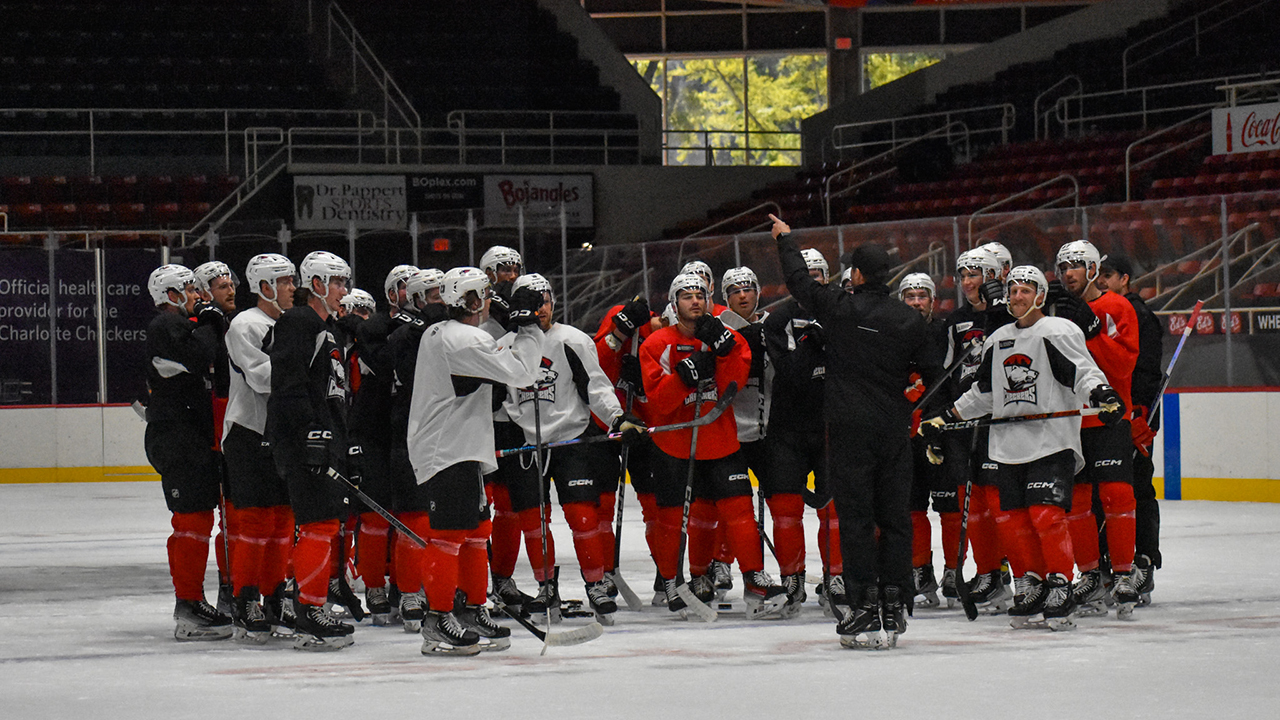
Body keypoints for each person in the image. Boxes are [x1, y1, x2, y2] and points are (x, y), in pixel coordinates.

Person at [921, 265, 1123, 632]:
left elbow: (1082, 371)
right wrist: (947, 415)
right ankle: (1032, 583)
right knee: (1013, 521)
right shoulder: (998, 339)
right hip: (1007, 445)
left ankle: (1060, 584)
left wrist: (1102, 394)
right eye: (1013, 291)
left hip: (1051, 439)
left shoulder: (1058, 331)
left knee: (1046, 517)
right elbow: (984, 392)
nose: (1017, 297)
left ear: (1041, 296)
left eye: (1026, 291)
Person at [771, 214, 940, 650]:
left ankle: (864, 603)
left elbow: (799, 284)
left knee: (858, 520)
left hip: (848, 430)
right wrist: (909, 393)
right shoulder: (909, 319)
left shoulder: (839, 308)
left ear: (857, 274)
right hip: (893, 429)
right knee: (895, 517)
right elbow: (933, 374)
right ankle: (896, 601)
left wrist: (786, 240)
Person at [407, 267, 545, 655]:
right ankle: (437, 619)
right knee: (450, 536)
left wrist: (516, 331)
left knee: (476, 532)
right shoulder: (461, 337)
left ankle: (470, 608)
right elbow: (521, 372)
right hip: (447, 449)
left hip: (461, 446)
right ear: (467, 300)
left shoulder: (447, 334)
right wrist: (529, 329)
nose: (486, 300)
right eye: (481, 294)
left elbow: (496, 361)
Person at [639, 271, 789, 619]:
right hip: (675, 444)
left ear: (709, 301)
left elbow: (734, 384)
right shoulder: (656, 344)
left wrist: (724, 349)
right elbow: (659, 402)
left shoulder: (728, 337)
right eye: (686, 295)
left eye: (700, 295)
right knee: (673, 519)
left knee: (739, 511)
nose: (694, 301)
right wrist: (684, 375)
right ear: (674, 304)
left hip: (720, 440)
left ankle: (754, 579)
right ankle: (677, 582)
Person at [500, 273, 644, 624]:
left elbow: (596, 386)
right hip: (525, 445)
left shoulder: (573, 340)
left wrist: (616, 418)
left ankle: (595, 583)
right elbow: (494, 399)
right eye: (535, 302)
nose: (543, 308)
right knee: (533, 521)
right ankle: (546, 586)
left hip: (570, 439)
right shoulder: (503, 346)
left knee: (583, 516)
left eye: (547, 299)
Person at [267, 250, 357, 651]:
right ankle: (308, 610)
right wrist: (311, 435)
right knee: (318, 526)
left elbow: (331, 393)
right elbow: (288, 386)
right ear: (316, 285)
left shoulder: (329, 327)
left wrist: (339, 439)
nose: (343, 291)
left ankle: (308, 605)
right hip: (307, 445)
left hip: (324, 441)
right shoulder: (298, 321)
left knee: (324, 525)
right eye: (336, 282)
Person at [1049, 240, 1140, 619]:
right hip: (1069, 419)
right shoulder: (1053, 315)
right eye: (1063, 266)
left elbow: (1121, 368)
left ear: (1092, 269)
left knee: (1117, 493)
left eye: (1076, 265)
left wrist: (1092, 331)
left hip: (1108, 417)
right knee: (1078, 502)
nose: (1068, 272)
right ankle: (1088, 574)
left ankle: (1123, 574)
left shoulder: (1117, 307)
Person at [144, 263, 232, 641]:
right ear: (172, 294)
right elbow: (199, 356)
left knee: (198, 522)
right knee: (191, 523)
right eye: (191, 290)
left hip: (189, 437)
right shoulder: (166, 325)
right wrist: (212, 323)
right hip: (178, 439)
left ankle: (194, 602)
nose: (199, 296)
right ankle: (189, 604)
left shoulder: (178, 325)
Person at [762, 250, 844, 616]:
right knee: (785, 509)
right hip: (787, 428)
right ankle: (791, 577)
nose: (810, 282)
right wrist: (814, 344)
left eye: (817, 275)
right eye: (804, 275)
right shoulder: (777, 320)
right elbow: (790, 374)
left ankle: (837, 576)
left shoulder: (843, 314)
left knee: (835, 510)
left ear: (826, 279)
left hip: (832, 425)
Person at [221, 253, 298, 642]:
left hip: (280, 432)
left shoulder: (288, 323)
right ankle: (245, 598)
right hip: (249, 432)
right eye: (284, 281)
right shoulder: (245, 324)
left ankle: (275, 596)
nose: (291, 288)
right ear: (264, 286)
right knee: (254, 522)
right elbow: (263, 378)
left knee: (283, 519)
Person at [938, 248, 1013, 613]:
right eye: (963, 274)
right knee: (976, 505)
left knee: (1001, 505)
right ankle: (988, 574)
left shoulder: (1012, 316)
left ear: (997, 275)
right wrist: (943, 420)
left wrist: (999, 309)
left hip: (1003, 421)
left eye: (976, 273)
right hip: (964, 422)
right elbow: (945, 375)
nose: (968, 282)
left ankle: (1011, 570)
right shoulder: (955, 322)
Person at [344, 266, 420, 625]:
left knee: (410, 518)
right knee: (374, 518)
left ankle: (408, 588)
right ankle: (374, 584)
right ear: (392, 293)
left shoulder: (425, 332)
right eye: (404, 287)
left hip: (409, 434)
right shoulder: (375, 328)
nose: (410, 293)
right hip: (373, 434)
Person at [385, 268, 449, 632]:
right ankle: (410, 590)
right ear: (419, 299)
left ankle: (441, 585)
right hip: (408, 433)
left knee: (446, 521)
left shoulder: (448, 332)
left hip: (445, 434)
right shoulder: (403, 336)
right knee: (413, 518)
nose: (443, 303)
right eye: (437, 296)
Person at [1098, 255, 1163, 605]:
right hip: (1111, 416)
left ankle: (1144, 562)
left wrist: (1140, 417)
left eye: (1109, 275)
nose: (1103, 281)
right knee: (1106, 494)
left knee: (1138, 489)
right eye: (1100, 275)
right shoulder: (1100, 311)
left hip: (1134, 418)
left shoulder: (1137, 314)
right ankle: (1109, 564)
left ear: (1125, 279)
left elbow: (1147, 373)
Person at [897, 272, 960, 610]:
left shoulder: (945, 330)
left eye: (922, 296)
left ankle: (954, 571)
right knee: (912, 506)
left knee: (950, 506)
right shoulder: (892, 333)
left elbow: (950, 382)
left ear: (933, 300)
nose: (917, 302)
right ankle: (921, 571)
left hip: (940, 430)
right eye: (910, 296)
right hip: (905, 434)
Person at [192, 260, 238, 614]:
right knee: (226, 516)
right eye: (222, 286)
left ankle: (237, 585)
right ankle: (227, 588)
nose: (231, 290)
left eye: (231, 284)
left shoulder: (234, 324)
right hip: (215, 435)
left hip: (234, 430)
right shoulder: (201, 327)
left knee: (237, 517)